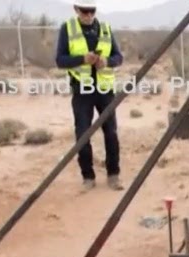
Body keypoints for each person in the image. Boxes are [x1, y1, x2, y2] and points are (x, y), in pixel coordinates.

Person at [56, 2, 125, 191]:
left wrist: (107, 61)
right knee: (82, 134)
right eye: (84, 11)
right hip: (82, 91)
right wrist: (82, 59)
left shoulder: (105, 29)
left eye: (91, 10)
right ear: (76, 10)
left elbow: (119, 57)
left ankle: (113, 175)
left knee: (111, 133)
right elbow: (60, 60)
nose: (88, 14)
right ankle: (88, 177)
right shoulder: (67, 29)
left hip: (105, 90)